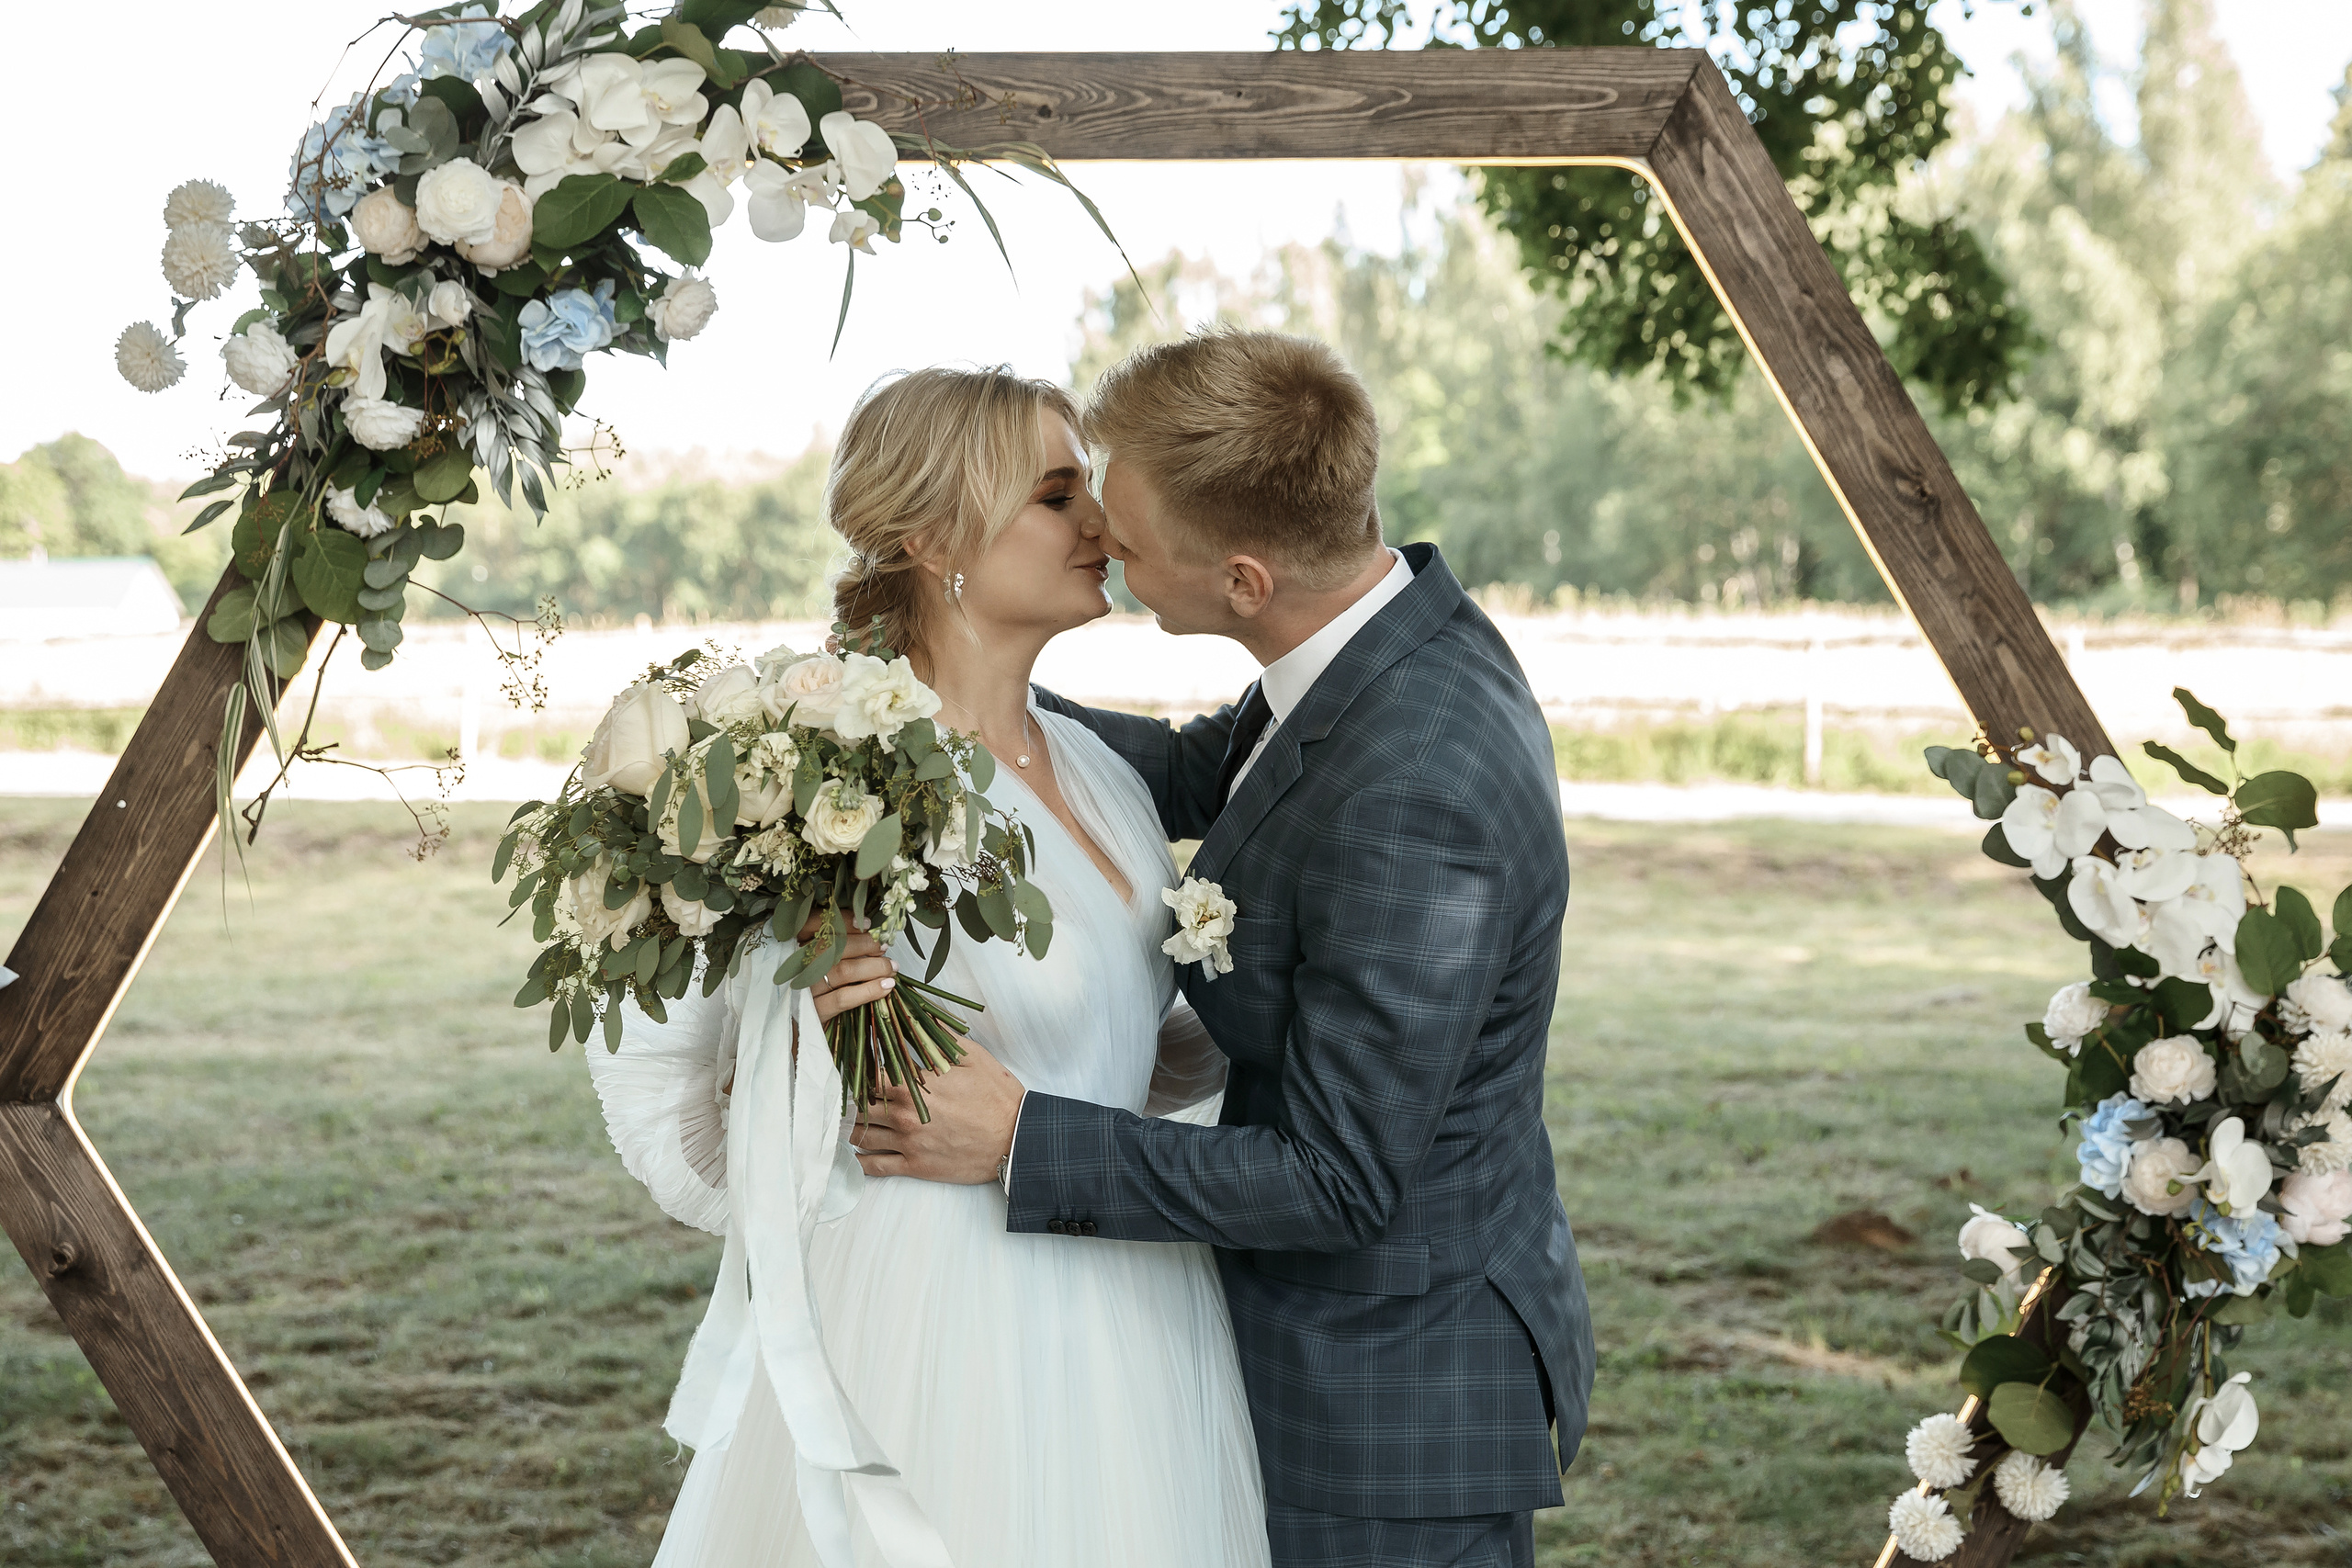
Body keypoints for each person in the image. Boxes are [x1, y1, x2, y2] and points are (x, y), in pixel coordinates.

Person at [853, 328, 1594, 1568]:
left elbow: (1342, 1181)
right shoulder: (1376, 640)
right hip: (1354, 1347)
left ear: (1243, 580)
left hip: (1386, 1407)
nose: (1097, 535)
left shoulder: (1415, 787)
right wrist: (893, 705)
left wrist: (1023, 1137)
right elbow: (1214, 773)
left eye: (1126, 539)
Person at [583, 367, 1270, 1568]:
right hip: (936, 1324)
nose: (1104, 529)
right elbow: (691, 1120)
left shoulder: (1106, 775)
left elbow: (1127, 1057)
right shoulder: (820, 789)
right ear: (930, 532)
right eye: (1058, 497)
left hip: (1138, 1310)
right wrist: (807, 1042)